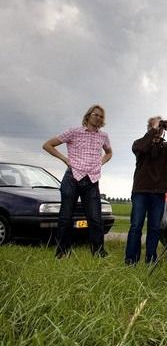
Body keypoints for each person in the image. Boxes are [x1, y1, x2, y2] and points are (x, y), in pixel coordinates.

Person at [43, 104, 113, 258]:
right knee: (65, 217)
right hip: (72, 178)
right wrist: (64, 159)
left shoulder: (103, 136)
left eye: (101, 116)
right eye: (96, 114)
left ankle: (99, 252)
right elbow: (48, 145)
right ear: (88, 116)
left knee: (95, 218)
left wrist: (101, 162)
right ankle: (62, 252)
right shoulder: (73, 132)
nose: (99, 118)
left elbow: (109, 153)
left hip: (92, 181)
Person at [125, 116, 167, 265]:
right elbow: (142, 147)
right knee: (136, 225)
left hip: (159, 193)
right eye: (155, 127)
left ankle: (151, 258)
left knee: (155, 227)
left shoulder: (165, 147)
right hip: (141, 191)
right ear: (149, 128)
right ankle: (131, 259)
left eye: (160, 128)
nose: (158, 130)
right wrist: (154, 130)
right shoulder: (139, 143)